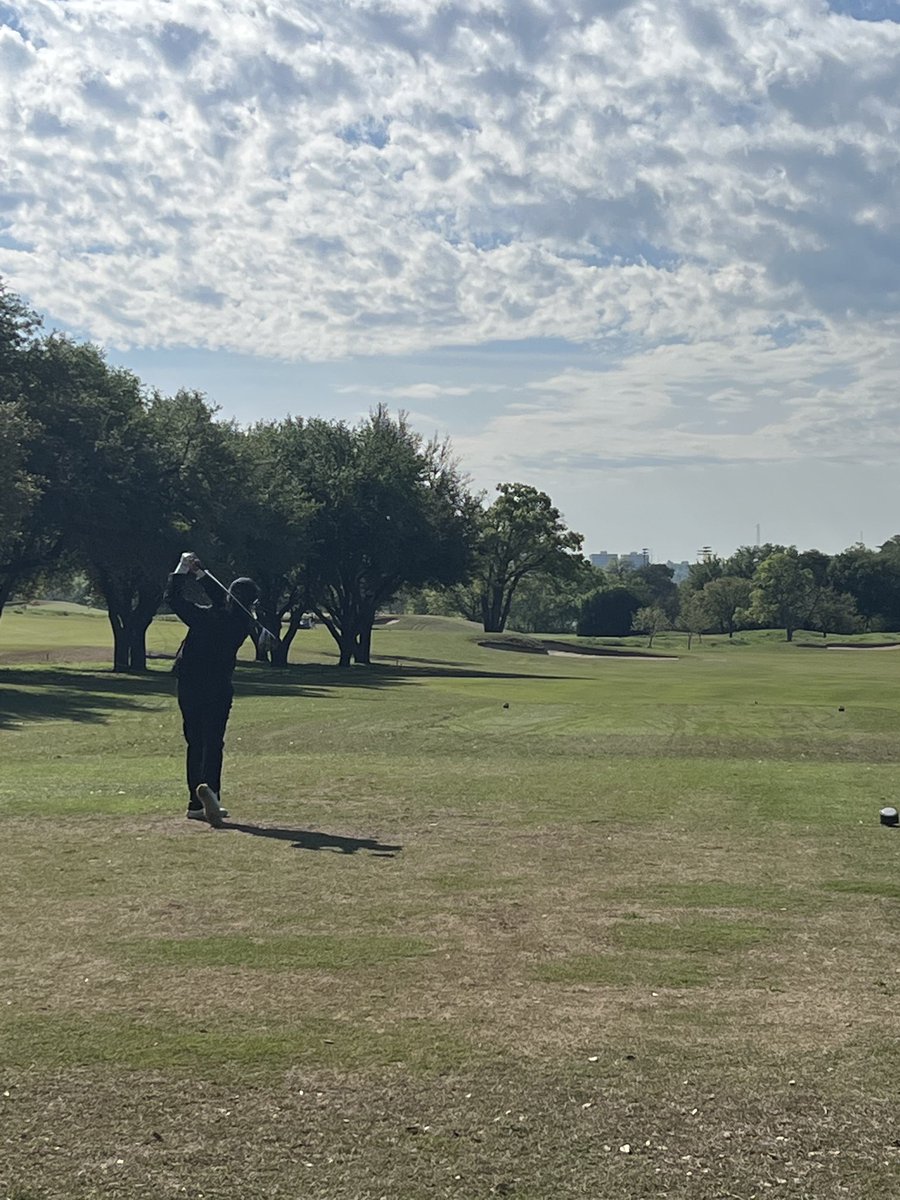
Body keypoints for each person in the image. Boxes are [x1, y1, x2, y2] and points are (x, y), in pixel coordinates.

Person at [164, 552, 259, 828]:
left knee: (195, 742)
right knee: (213, 743)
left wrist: (185, 569)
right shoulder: (243, 623)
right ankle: (212, 793)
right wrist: (202, 574)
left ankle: (196, 803)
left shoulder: (202, 618)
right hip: (218, 687)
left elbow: (173, 598)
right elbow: (225, 602)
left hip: (190, 686)